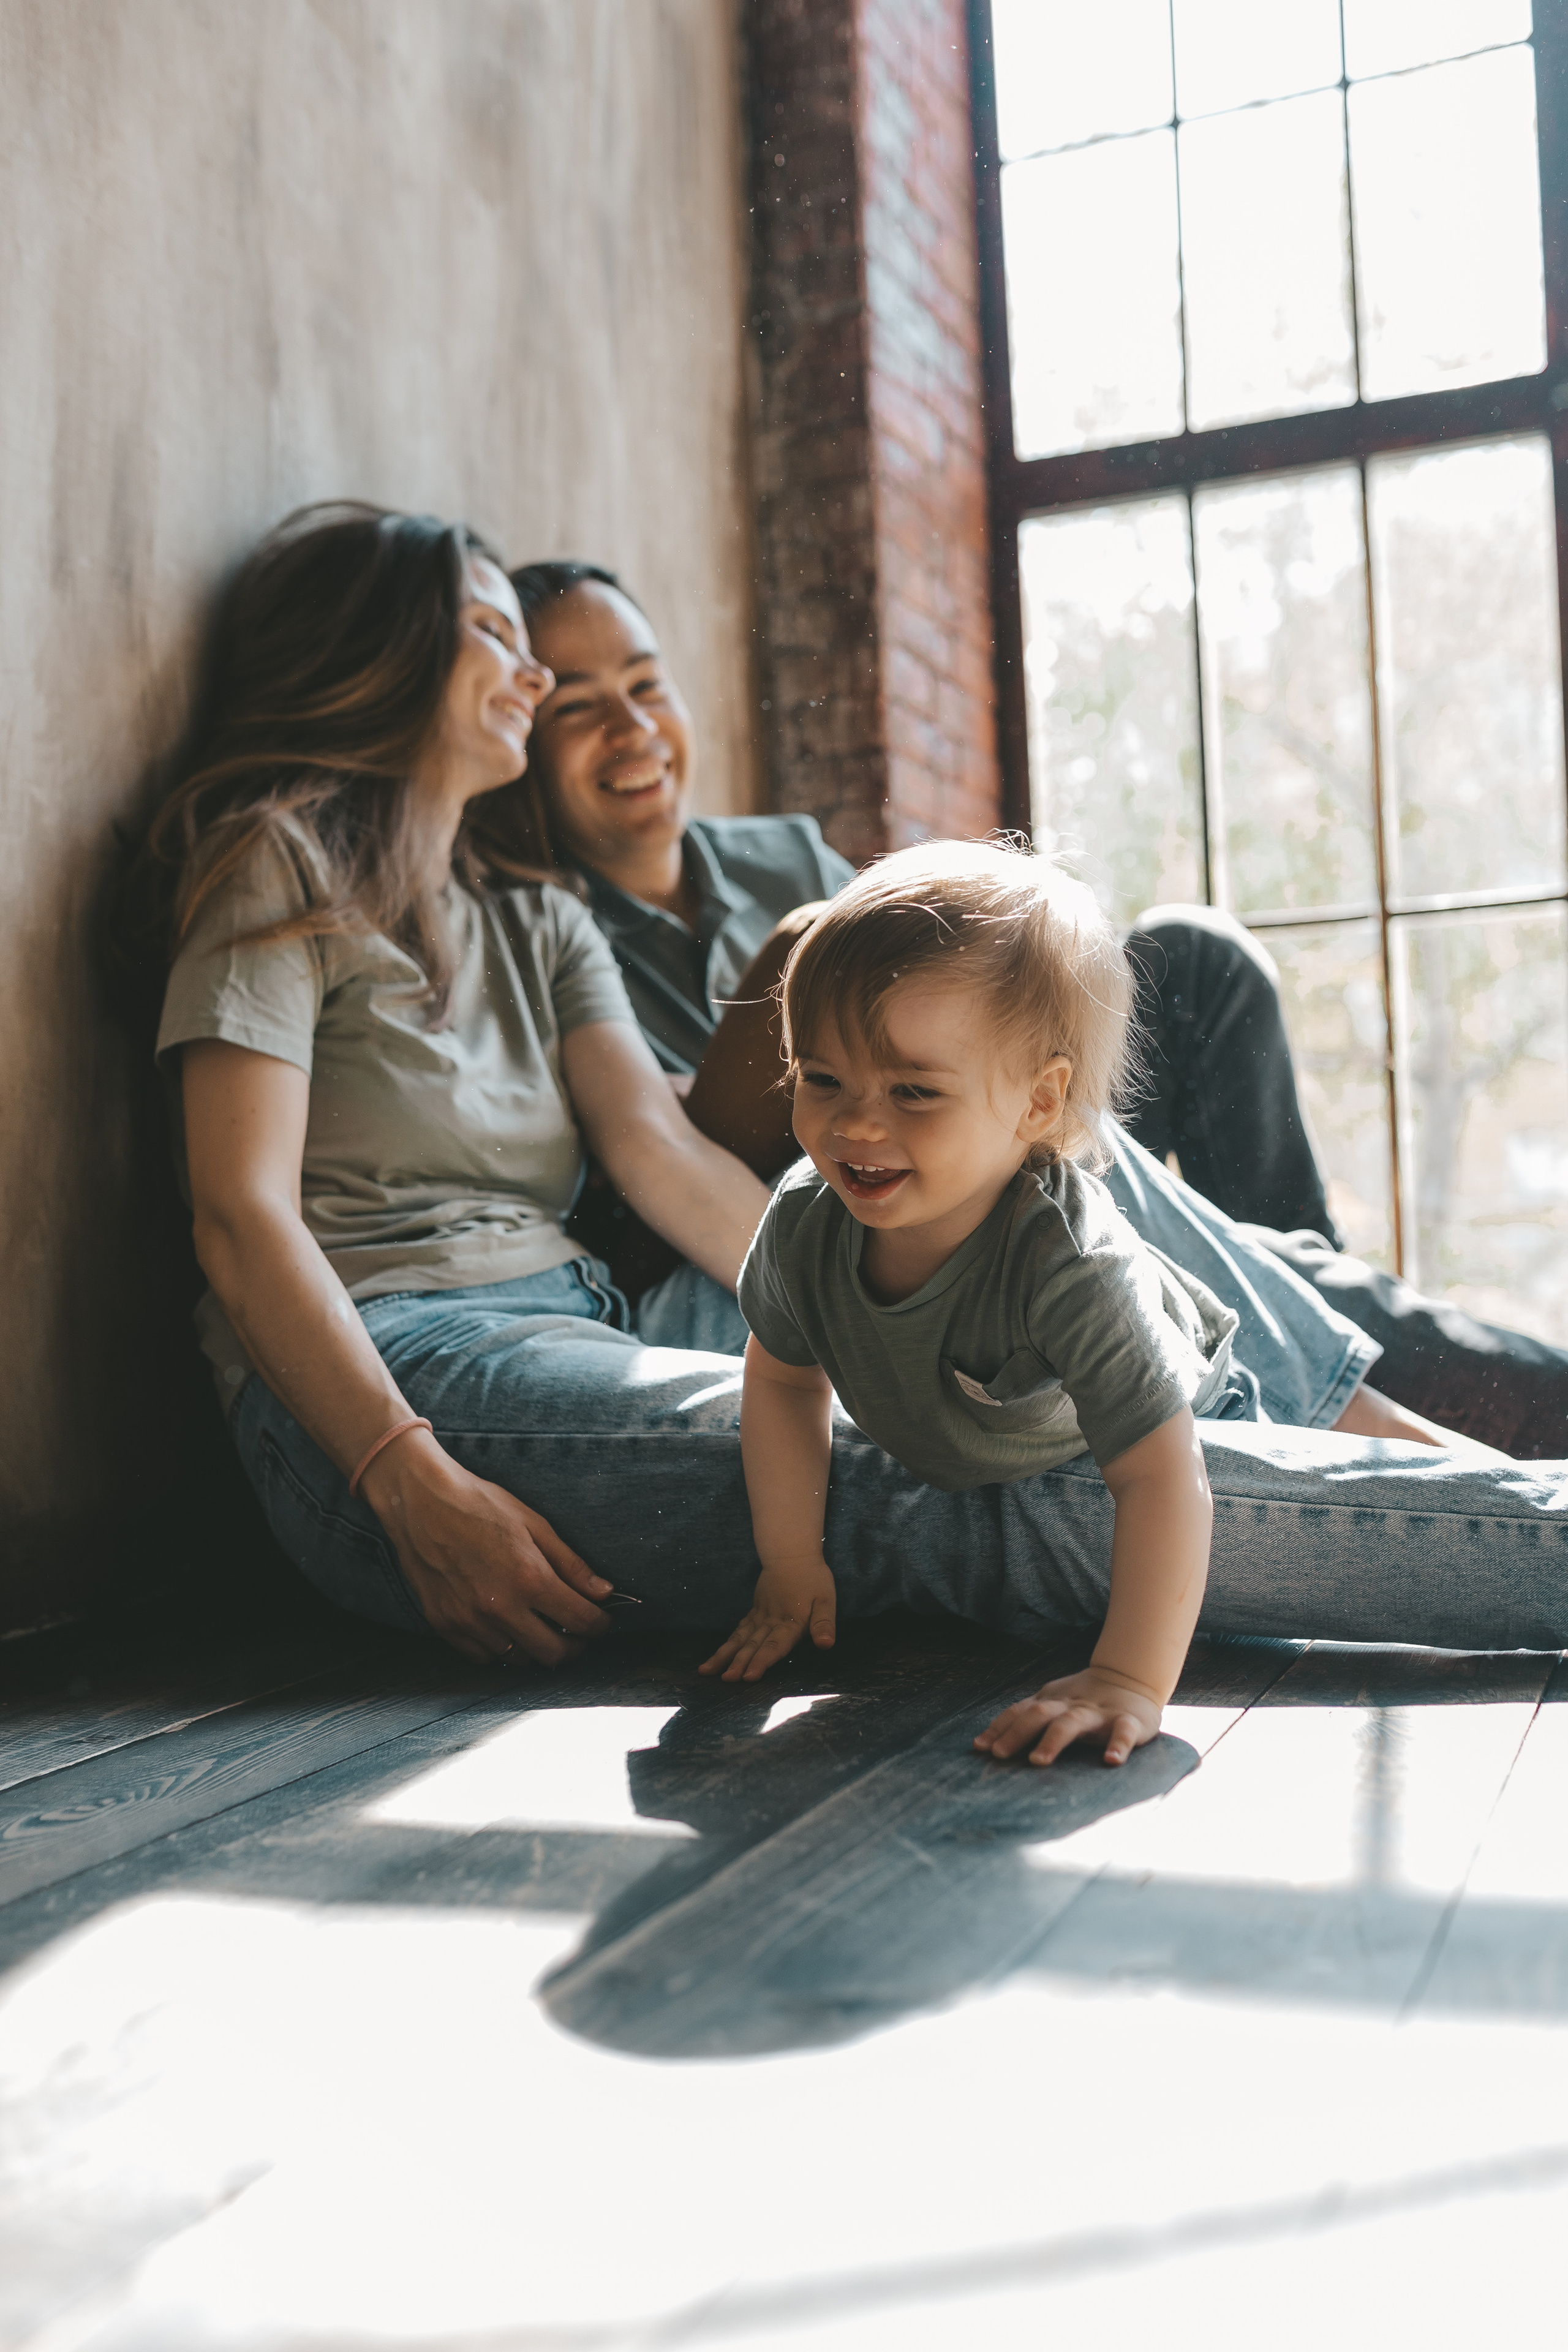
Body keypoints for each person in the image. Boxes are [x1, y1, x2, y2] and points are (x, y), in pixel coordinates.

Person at [141, 499, 1568, 1678]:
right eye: (493, 636)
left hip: (591, 1321)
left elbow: (663, 1159)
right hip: (393, 1378)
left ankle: (1412, 1465)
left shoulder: (535, 922)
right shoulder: (281, 867)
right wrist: (404, 1478)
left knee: (1024, 1165)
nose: (524, 672)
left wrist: (887, 1274)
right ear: (389, 650)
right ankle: (1523, 1540)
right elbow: (238, 1222)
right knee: (940, 1468)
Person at [512, 560, 1568, 1460]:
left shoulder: (778, 849)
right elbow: (667, 1149)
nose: (630, 727)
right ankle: (1365, 1380)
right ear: (522, 736)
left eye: (645, 685)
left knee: (1187, 965)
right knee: (1052, 1138)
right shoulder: (545, 932)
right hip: (821, 1212)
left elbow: (951, 997)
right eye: (576, 707)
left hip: (954, 1154)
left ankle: (1287, 1281)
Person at [704, 843, 1250, 1777]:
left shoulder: (1064, 1260)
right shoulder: (803, 1221)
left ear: (1038, 1103)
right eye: (823, 1078)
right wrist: (790, 1562)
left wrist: (1128, 1678)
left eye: (913, 1091)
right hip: (993, 1443)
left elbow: (1163, 1477)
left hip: (1186, 1424)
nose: (856, 1124)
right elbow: (784, 1381)